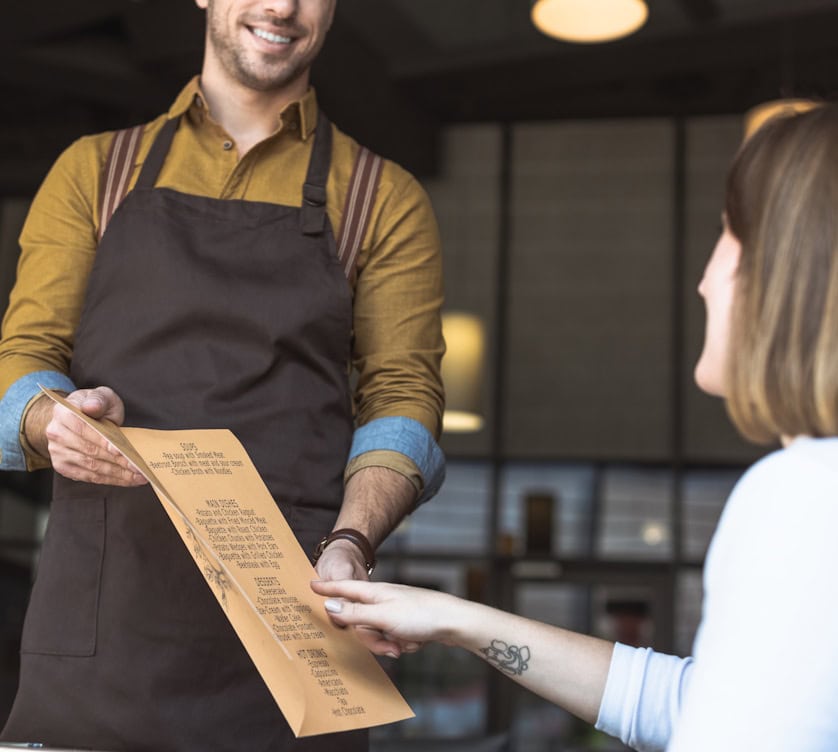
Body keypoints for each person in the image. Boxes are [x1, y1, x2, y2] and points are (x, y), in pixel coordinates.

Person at [313, 104, 838, 752]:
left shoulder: (801, 495)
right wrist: (453, 619)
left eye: (729, 235)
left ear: (790, 271)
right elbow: (681, 703)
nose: (705, 280)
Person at [0, 1, 445, 750]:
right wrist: (51, 421)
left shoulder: (381, 196)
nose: (280, 7)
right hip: (106, 621)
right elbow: (22, 357)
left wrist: (354, 541)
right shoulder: (95, 170)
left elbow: (403, 396)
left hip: (297, 627)